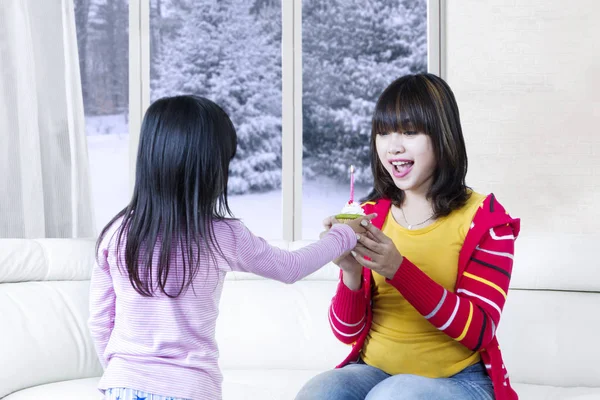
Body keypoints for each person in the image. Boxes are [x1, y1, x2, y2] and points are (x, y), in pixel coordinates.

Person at [88, 95, 374, 400]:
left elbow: (99, 322)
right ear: (208, 168)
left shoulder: (116, 234)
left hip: (122, 386)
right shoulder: (221, 235)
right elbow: (291, 267)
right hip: (190, 390)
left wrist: (124, 373)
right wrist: (343, 235)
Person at [295, 73, 520, 400]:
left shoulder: (486, 220)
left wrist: (399, 269)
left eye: (410, 132)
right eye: (383, 134)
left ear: (443, 137)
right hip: (374, 371)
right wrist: (350, 272)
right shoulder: (370, 216)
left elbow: (479, 331)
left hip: (461, 380)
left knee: (394, 395)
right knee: (318, 392)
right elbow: (347, 333)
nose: (393, 146)